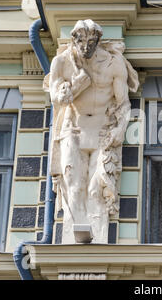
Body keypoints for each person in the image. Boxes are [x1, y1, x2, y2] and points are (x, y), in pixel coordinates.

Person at [44, 19, 139, 243]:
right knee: (74, 187)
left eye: (91, 42)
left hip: (101, 133)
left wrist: (121, 128)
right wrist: (77, 83)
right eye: (81, 42)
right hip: (72, 130)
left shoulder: (113, 64)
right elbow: (58, 98)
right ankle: (76, 240)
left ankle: (95, 240)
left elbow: (123, 103)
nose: (86, 47)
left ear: (98, 42)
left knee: (97, 189)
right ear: (74, 40)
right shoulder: (61, 63)